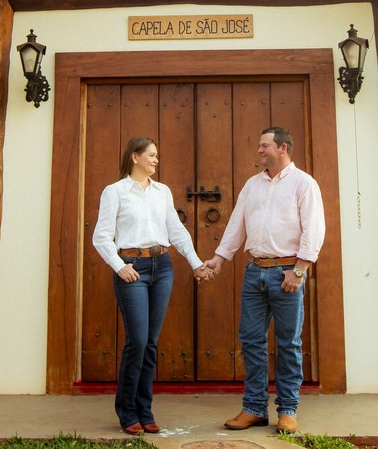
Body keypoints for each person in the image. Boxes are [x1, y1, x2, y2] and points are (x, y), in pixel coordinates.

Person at [202, 126, 325, 435]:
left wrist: (299, 270)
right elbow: (237, 224)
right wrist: (219, 258)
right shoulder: (252, 185)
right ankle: (255, 409)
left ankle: (288, 410)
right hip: (254, 272)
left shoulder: (304, 184)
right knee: (251, 341)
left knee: (289, 343)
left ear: (283, 148)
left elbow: (314, 229)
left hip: (287, 273)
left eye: (264, 145)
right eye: (259, 145)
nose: (259, 150)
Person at [92, 136, 214, 435]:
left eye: (157, 156)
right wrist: (120, 266)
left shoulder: (163, 192)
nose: (156, 160)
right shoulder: (115, 192)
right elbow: (101, 236)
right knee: (137, 341)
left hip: (162, 268)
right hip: (132, 268)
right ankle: (127, 411)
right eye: (151, 155)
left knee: (150, 343)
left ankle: (145, 411)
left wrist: (196, 263)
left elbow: (176, 231)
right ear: (135, 157)